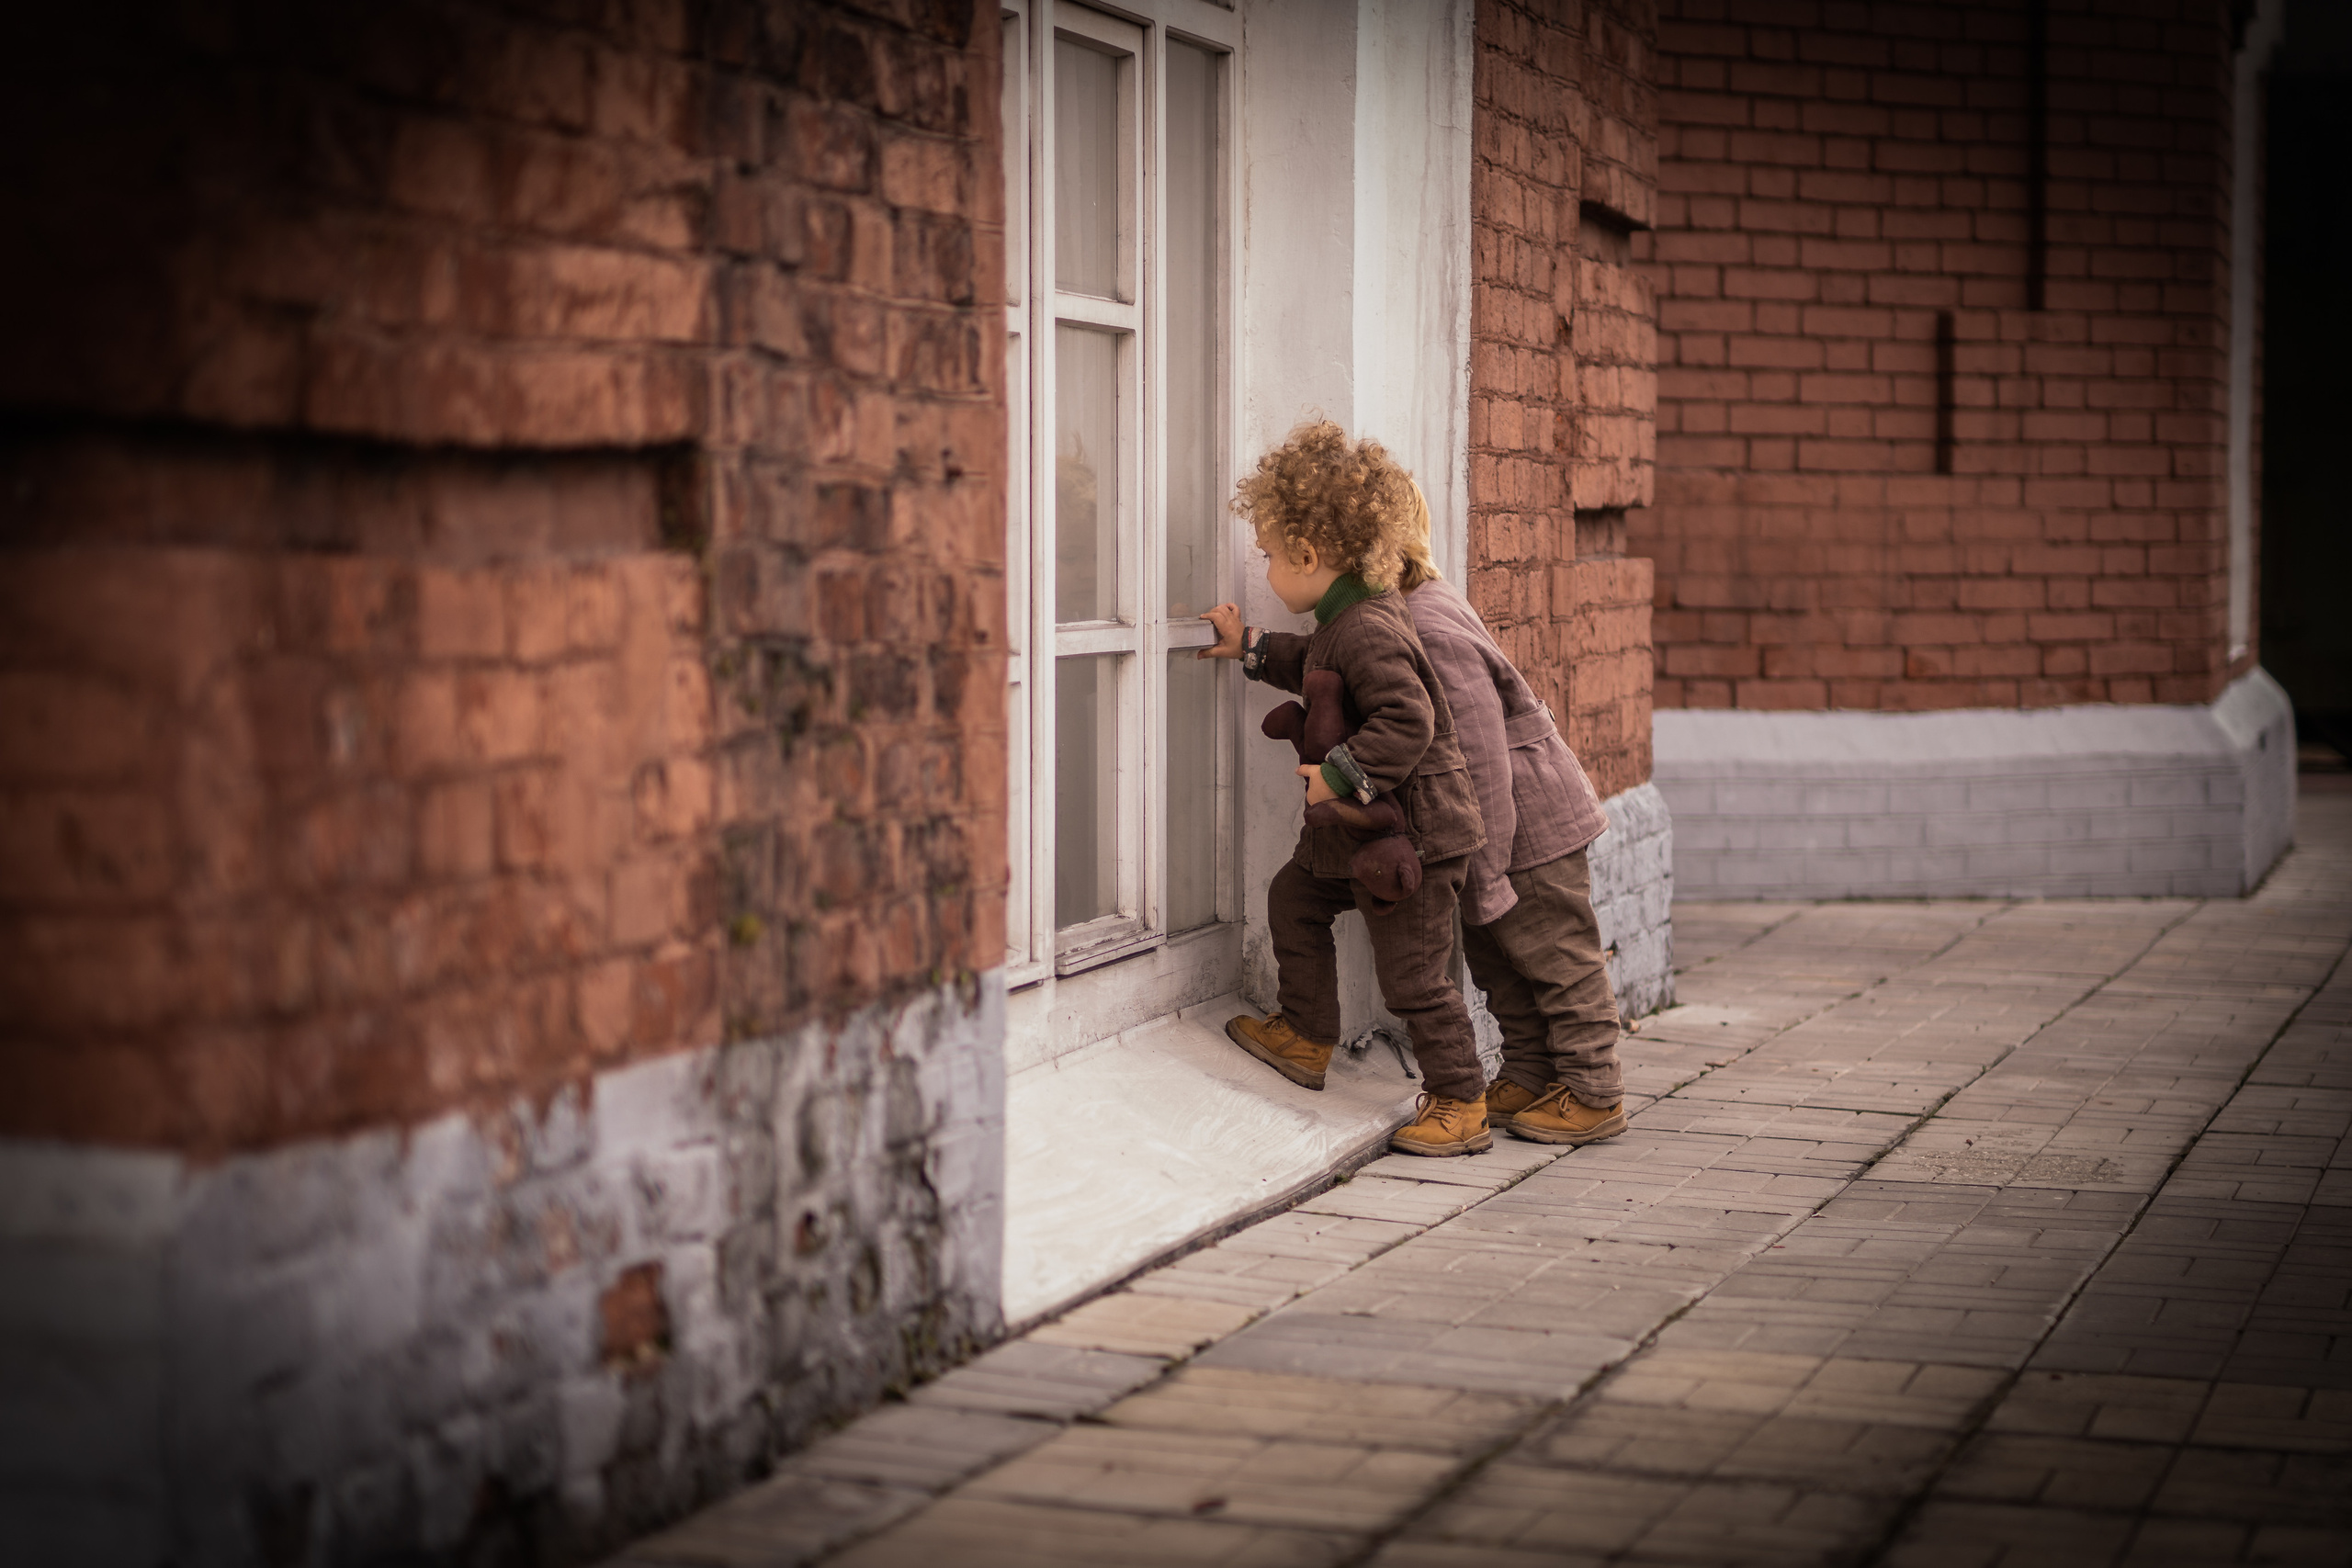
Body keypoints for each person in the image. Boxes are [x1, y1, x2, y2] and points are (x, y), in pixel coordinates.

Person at [1203, 463, 1627, 1148]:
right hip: (1493, 823)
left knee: (1555, 959)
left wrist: (1486, 871)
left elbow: (1478, 753)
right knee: (1496, 958)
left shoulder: (1425, 625)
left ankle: (1593, 1088)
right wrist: (1254, 649)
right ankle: (1529, 1072)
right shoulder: (1383, 615)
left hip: (1528, 821)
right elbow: (1321, 661)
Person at [1197, 420, 1493, 1157]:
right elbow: (1313, 664)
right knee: (1294, 899)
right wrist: (1252, 648)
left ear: (1307, 554)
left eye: (1269, 555)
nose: (1267, 568)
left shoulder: (1369, 628)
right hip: (1361, 831)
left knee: (1413, 978)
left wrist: (1338, 773)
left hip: (1411, 838)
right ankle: (1306, 1033)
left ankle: (1462, 1100)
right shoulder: (1343, 620)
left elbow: (1409, 719)